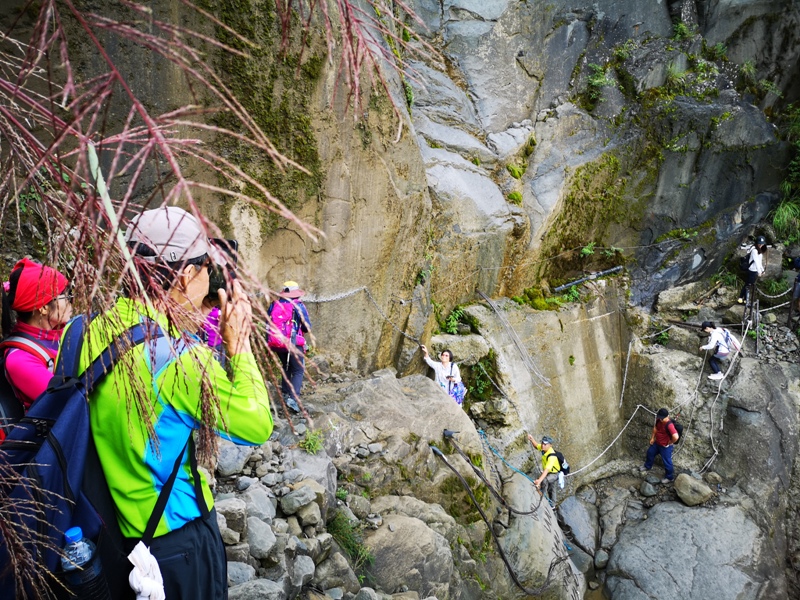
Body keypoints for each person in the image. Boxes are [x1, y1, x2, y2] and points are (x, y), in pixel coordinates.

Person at [68, 206, 272, 600]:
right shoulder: (182, 363)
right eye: (203, 267)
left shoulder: (85, 329)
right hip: (177, 547)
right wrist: (241, 346)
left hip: (115, 538)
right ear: (185, 275)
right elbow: (257, 423)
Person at [0, 259, 72, 438]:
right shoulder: (20, 358)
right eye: (65, 294)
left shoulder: (64, 332)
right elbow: (66, 403)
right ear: (44, 308)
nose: (70, 300)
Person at [267, 281, 312, 413]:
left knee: (286, 366)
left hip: (276, 343)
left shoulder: (274, 305)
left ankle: (285, 394)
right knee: (298, 369)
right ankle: (293, 399)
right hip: (292, 343)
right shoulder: (299, 306)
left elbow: (267, 322)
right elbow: (307, 327)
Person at [640, 408, 679, 484]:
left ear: (667, 416)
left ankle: (669, 477)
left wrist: (669, 442)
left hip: (665, 446)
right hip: (657, 443)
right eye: (660, 417)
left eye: (662, 418)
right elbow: (655, 428)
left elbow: (676, 436)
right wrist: (652, 438)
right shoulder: (659, 420)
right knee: (650, 452)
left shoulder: (669, 425)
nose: (661, 419)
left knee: (667, 462)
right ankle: (647, 466)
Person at [527, 434, 561, 505]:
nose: (543, 445)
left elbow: (546, 470)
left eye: (545, 444)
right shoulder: (544, 449)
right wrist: (532, 439)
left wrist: (539, 481)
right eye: (542, 443)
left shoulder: (552, 456)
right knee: (552, 488)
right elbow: (536, 446)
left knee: (545, 480)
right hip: (550, 472)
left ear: (550, 445)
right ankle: (553, 504)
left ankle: (542, 496)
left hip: (555, 473)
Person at [738, 236, 768, 304]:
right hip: (752, 270)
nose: (761, 245)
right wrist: (759, 272)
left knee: (749, 285)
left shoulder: (758, 250)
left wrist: (762, 270)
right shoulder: (754, 250)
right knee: (747, 285)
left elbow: (759, 262)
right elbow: (756, 261)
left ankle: (745, 299)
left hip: (754, 271)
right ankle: (741, 297)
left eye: (762, 244)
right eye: (759, 244)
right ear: (757, 243)